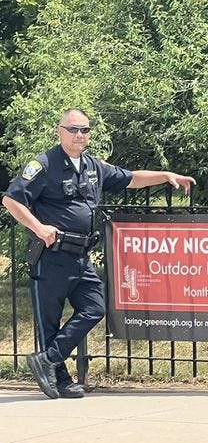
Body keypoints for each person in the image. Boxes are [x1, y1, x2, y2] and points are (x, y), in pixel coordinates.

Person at [2, 108, 195, 400]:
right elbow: (11, 200)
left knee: (94, 309)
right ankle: (61, 379)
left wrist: (165, 175)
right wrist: (39, 228)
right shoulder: (43, 165)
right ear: (60, 131)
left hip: (81, 256)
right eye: (73, 129)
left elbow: (130, 178)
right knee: (49, 322)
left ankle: (48, 358)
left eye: (85, 130)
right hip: (52, 255)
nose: (80, 135)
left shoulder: (93, 166)